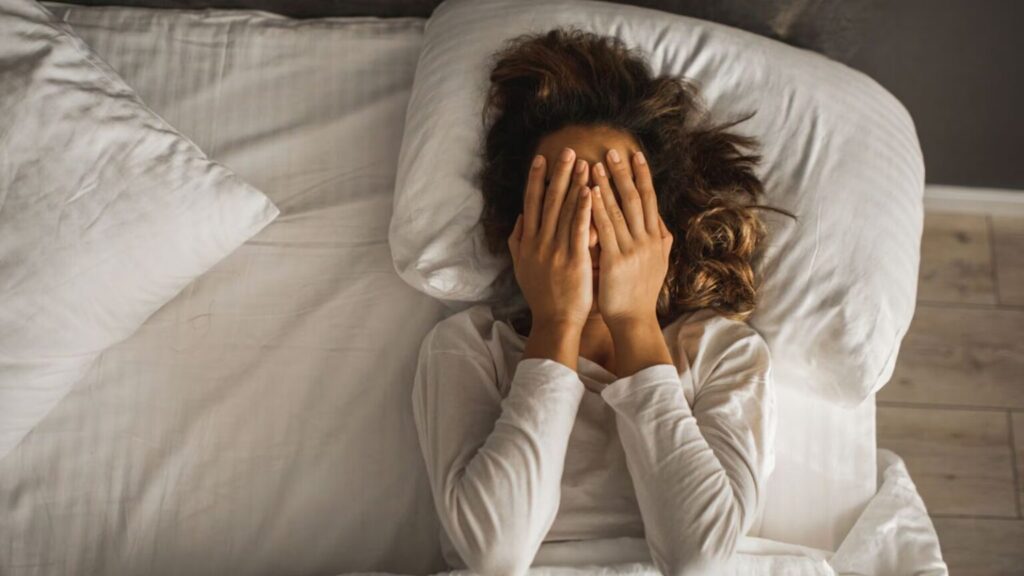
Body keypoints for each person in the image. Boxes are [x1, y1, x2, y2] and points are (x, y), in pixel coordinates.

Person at [411, 26, 796, 576]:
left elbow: (700, 560)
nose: (591, 230)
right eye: (563, 202)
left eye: (617, 201)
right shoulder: (470, 348)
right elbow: (496, 553)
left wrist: (634, 322)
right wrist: (556, 323)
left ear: (658, 225)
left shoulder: (721, 352)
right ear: (520, 228)